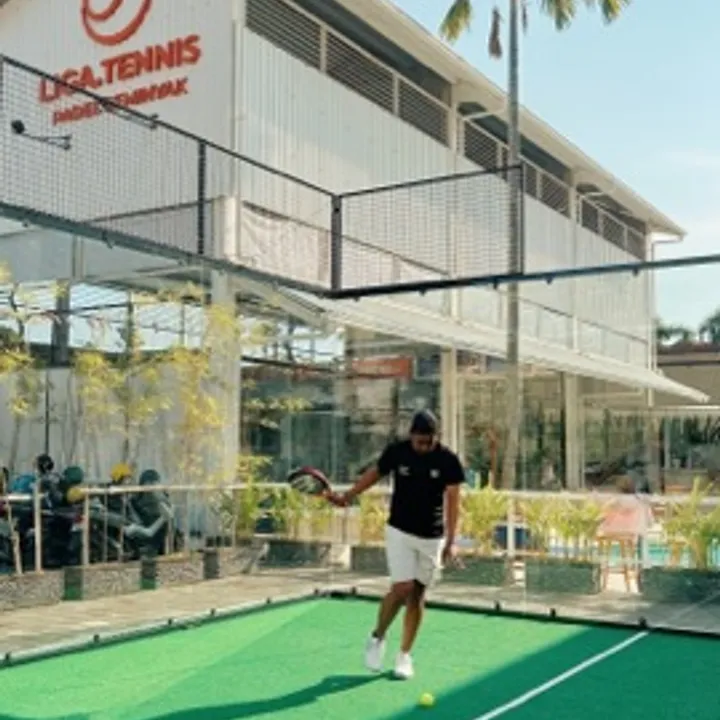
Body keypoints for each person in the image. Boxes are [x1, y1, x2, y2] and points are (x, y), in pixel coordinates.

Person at [329, 410, 464, 680]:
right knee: (402, 588)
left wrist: (451, 541)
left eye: (428, 442)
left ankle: (404, 655)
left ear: (436, 437)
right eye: (419, 441)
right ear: (411, 435)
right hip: (399, 530)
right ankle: (377, 636)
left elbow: (453, 502)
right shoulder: (397, 452)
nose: (423, 446)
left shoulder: (448, 460)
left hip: (431, 537)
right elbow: (374, 474)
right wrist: (348, 496)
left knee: (417, 595)